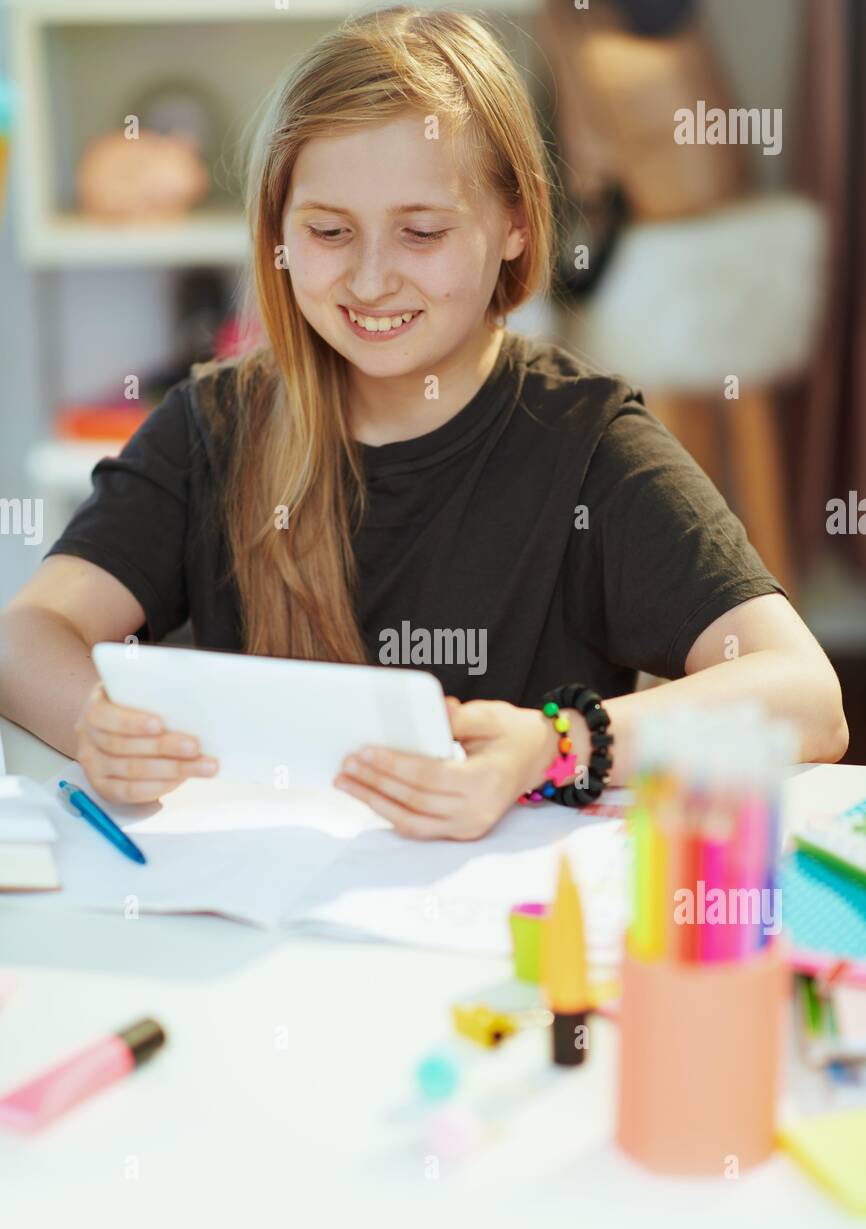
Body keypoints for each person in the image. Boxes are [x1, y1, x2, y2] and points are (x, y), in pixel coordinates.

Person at [0, 7, 847, 840]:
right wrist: (93, 723)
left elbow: (807, 697)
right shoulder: (211, 426)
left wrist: (555, 745)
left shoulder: (589, 444)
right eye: (329, 231)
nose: (371, 280)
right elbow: (25, 636)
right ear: (278, 232)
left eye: (421, 231)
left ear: (516, 224)